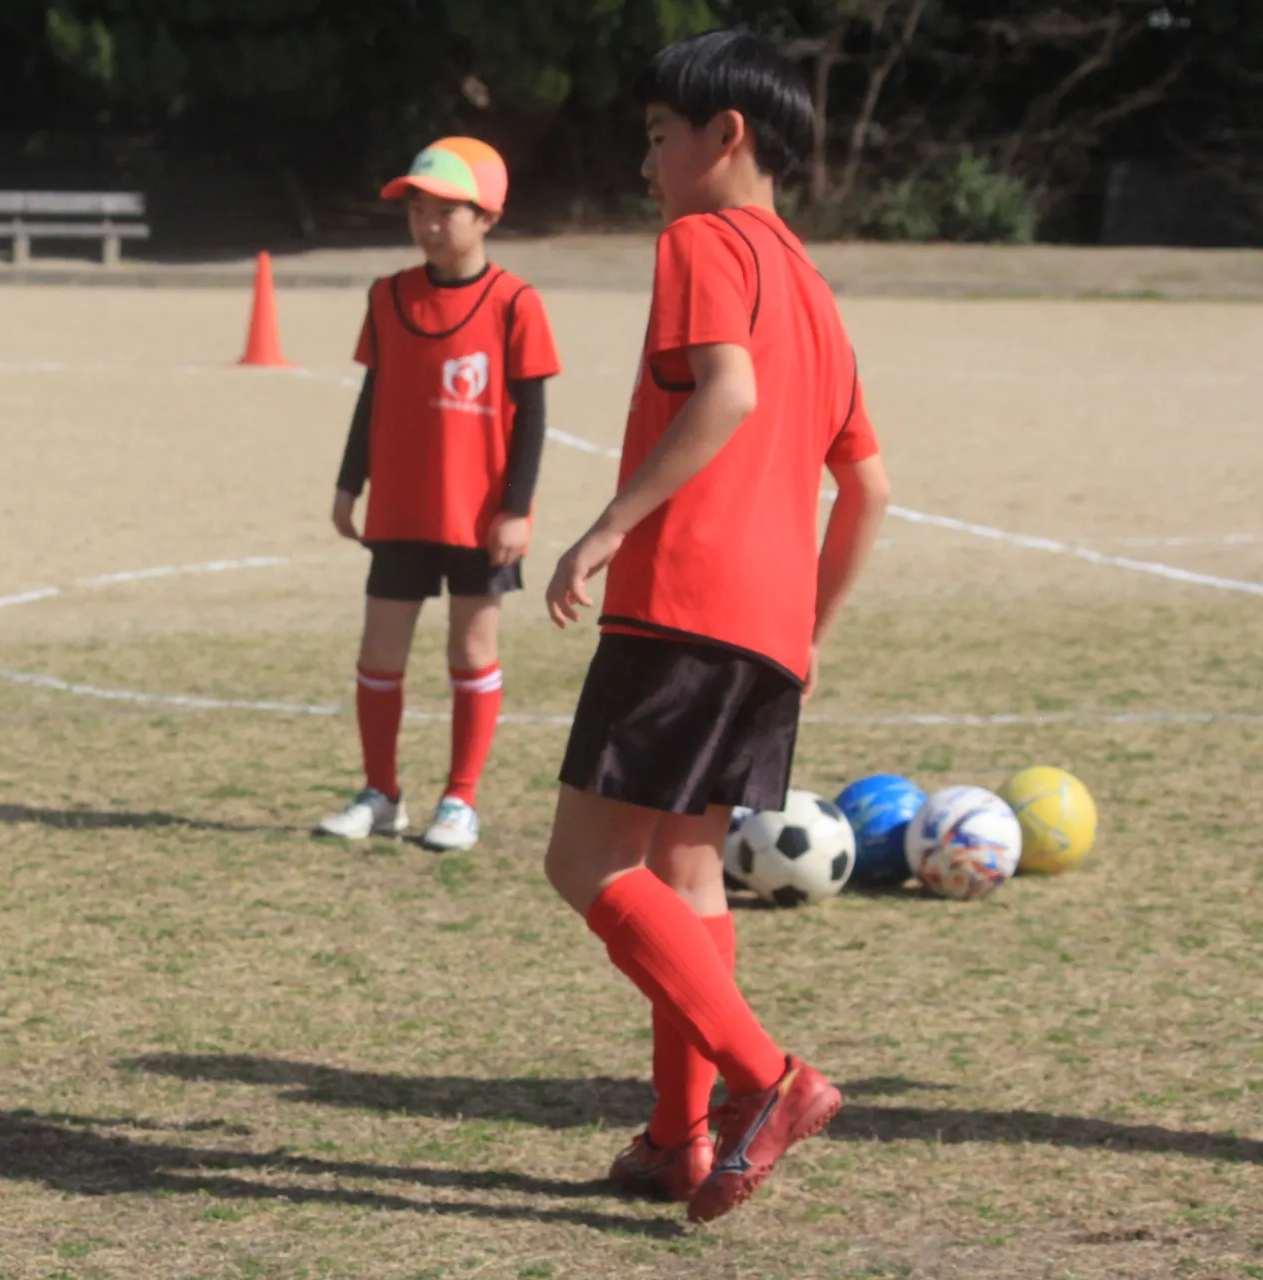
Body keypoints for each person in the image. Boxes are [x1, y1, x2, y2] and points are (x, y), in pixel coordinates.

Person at [540, 31, 893, 1221]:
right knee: (687, 868)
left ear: (726, 134)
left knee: (585, 861)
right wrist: (811, 629)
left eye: (657, 137)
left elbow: (727, 392)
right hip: (765, 629)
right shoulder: (818, 292)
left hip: (681, 603)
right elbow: (870, 487)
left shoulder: (703, 240)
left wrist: (607, 525)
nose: (647, 164)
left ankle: (767, 1078)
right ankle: (676, 1137)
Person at [315, 138, 560, 853]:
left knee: (472, 649)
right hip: (400, 508)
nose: (427, 224)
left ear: (487, 216)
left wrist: (516, 508)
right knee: (379, 652)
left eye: (445, 211)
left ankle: (460, 798)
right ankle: (380, 794)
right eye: (417, 209)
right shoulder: (387, 295)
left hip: (479, 516)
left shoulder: (515, 303)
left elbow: (532, 415)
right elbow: (372, 395)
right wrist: (349, 483)